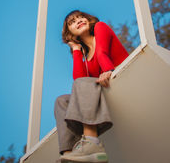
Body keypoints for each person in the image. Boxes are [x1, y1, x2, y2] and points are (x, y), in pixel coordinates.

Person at [54, 10, 129, 163]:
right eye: (72, 22)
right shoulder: (86, 62)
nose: (79, 20)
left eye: (81, 17)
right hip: (106, 92)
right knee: (61, 101)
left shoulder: (101, 27)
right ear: (70, 33)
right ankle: (69, 154)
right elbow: (79, 82)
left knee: (83, 83)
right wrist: (76, 50)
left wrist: (108, 70)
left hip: (123, 80)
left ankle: (92, 142)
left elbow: (101, 53)